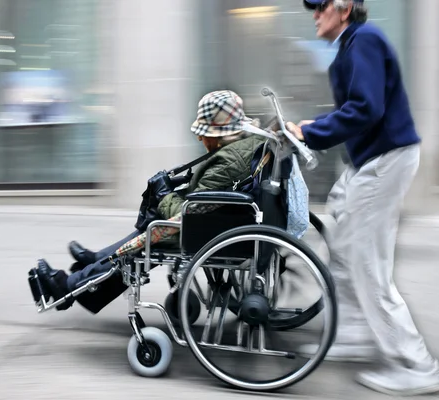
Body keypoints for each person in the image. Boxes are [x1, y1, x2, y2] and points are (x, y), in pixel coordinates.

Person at [285, 0, 439, 395]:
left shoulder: (365, 39)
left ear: (344, 6)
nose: (314, 13)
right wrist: (313, 126)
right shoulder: (352, 45)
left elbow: (366, 109)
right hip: (367, 160)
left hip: (384, 159)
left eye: (319, 5)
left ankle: (415, 363)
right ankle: (354, 332)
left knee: (367, 259)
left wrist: (312, 133)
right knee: (339, 240)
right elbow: (357, 109)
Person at [30, 90, 267, 314]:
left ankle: (68, 286)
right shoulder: (249, 144)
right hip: (223, 221)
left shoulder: (227, 161)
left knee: (147, 238)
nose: (199, 136)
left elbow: (189, 214)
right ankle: (97, 261)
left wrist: (165, 194)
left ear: (220, 133)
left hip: (204, 231)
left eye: (204, 132)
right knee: (150, 228)